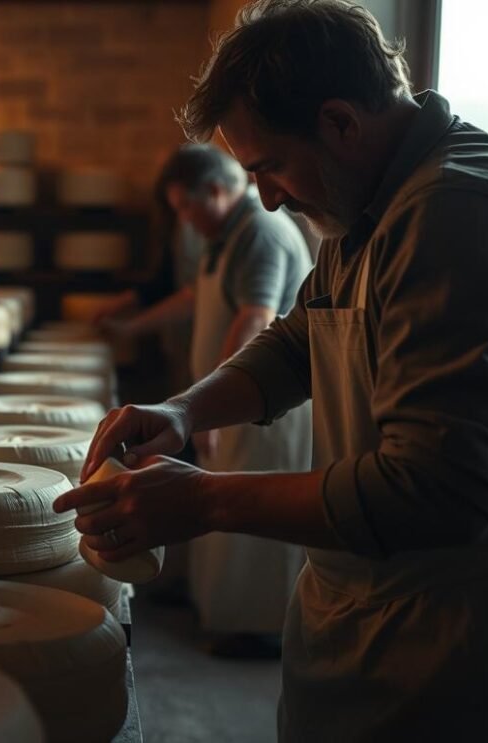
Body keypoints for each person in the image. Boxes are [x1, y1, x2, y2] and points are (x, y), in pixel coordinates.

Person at [56, 1, 488, 740]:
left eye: (269, 167)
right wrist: (184, 411)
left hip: (461, 634)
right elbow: (301, 339)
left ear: (340, 123)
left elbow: (435, 490)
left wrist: (203, 501)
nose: (267, 198)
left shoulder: (455, 215)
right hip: (384, 606)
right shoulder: (372, 205)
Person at [158, 143, 314, 658]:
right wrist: (132, 325)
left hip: (259, 405)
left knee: (250, 512)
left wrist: (207, 408)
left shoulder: (260, 232)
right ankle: (220, 610)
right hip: (229, 400)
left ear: (216, 190)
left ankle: (258, 627)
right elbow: (195, 299)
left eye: (187, 207)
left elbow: (255, 320)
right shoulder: (226, 233)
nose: (185, 219)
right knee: (221, 506)